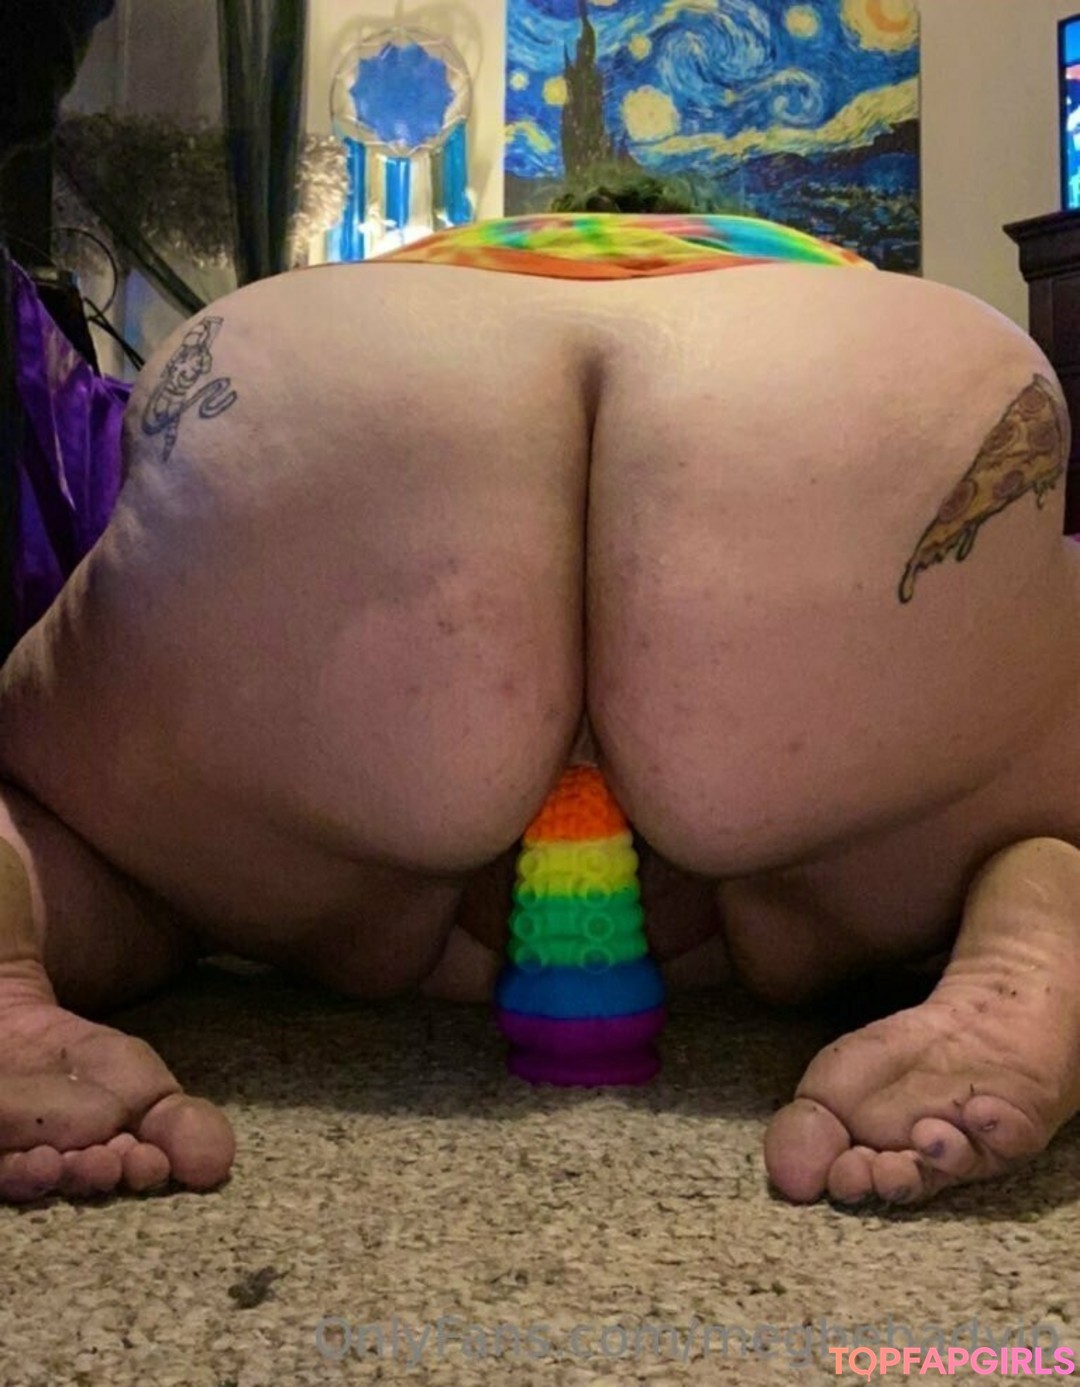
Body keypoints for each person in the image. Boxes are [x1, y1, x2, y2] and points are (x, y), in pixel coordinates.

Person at [2, 187, 1079, 1212]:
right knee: (1022, 814)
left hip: (334, 382)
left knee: (76, 830)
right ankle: (1044, 896)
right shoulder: (812, 275)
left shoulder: (430, 272)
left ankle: (17, 949)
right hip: (866, 395)